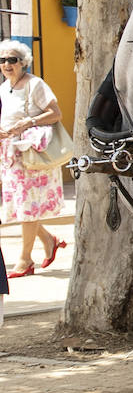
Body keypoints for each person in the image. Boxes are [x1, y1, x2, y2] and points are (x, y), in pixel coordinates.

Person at [0, 40, 67, 279]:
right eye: (3, 60)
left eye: (12, 60)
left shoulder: (35, 84)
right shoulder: (4, 87)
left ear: (23, 62)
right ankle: (50, 241)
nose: (7, 64)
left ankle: (25, 260)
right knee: (22, 207)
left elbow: (55, 113)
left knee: (27, 209)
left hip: (31, 155)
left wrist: (28, 122)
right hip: (11, 157)